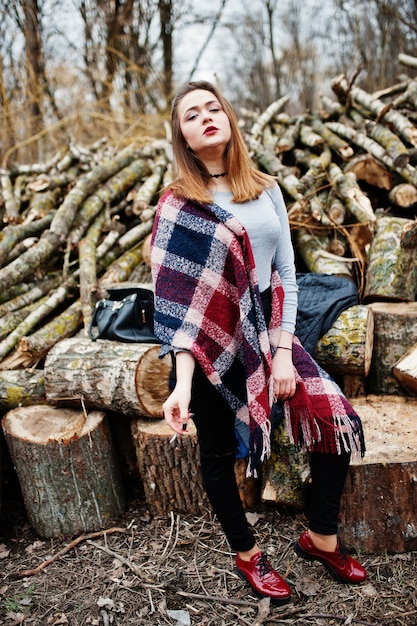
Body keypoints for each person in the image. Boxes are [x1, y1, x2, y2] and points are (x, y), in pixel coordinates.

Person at [150, 80, 367, 604]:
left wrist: (284, 351)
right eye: (191, 114)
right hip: (213, 346)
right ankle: (248, 554)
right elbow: (183, 314)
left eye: (212, 107)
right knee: (217, 452)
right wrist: (182, 385)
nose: (205, 116)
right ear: (181, 135)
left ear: (228, 117)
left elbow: (289, 276)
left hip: (269, 330)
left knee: (335, 417)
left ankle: (320, 537)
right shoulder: (179, 205)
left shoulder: (265, 187)